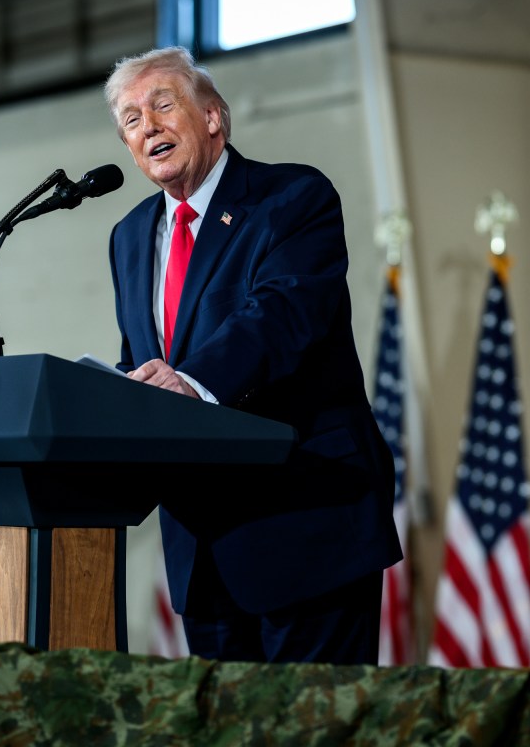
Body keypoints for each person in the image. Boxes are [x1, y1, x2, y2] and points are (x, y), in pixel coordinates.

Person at [104, 46, 402, 664]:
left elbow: (280, 316)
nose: (148, 126)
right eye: (131, 119)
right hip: (200, 549)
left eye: (163, 105)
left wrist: (190, 380)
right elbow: (143, 356)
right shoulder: (129, 236)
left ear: (213, 117)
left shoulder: (291, 198)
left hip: (306, 524)